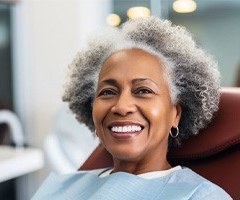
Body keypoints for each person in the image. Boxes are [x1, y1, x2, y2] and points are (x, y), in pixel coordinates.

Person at [32, 16, 232, 199]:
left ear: (175, 114)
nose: (121, 106)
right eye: (108, 92)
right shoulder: (64, 186)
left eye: (143, 91)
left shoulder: (200, 196)